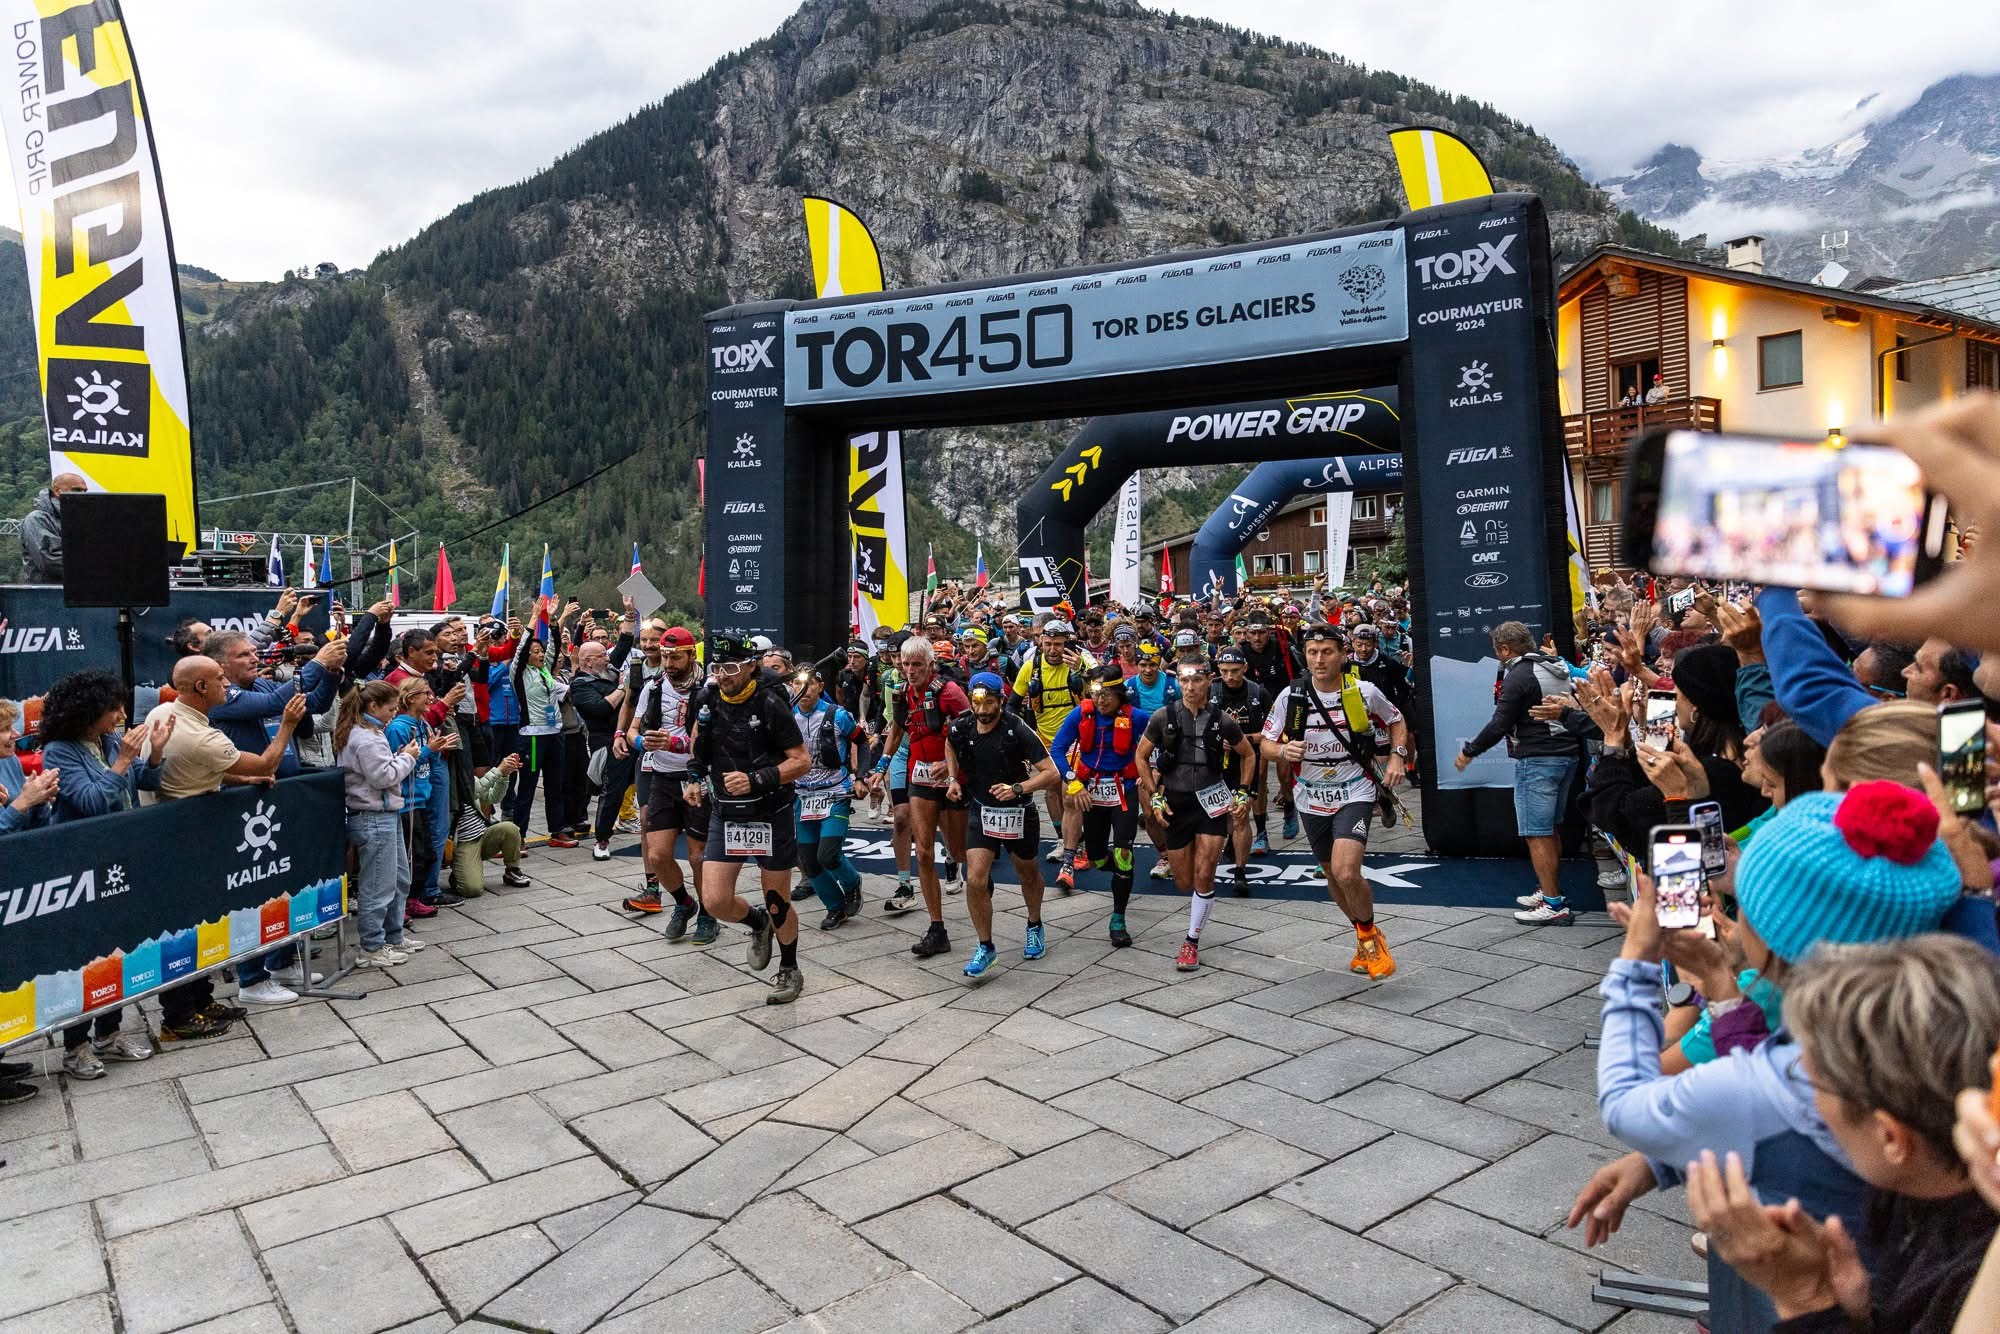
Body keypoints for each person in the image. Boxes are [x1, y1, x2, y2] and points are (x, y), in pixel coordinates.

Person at [1583, 781, 1964, 1332]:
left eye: (1749, 906)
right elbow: (1763, 1087)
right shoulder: (1936, 1036)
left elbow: (1626, 1104)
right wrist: (1721, 985)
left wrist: (1636, 962)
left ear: (1774, 934)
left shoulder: (1793, 1076)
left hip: (1801, 1304)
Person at [1684, 936, 2000, 1333]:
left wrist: (1807, 1300)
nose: (1809, 1100)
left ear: (1891, 1138)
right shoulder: (1924, 1193)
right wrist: (1861, 1312)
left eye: (1810, 1081)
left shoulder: (1975, 1285)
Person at [1261, 624, 1409, 979]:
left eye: (1327, 652)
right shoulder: (1291, 696)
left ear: (1343, 654)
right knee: (1331, 874)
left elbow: (1397, 720)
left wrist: (1397, 757)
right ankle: (1363, 935)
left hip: (1354, 789)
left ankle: (1371, 940)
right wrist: (1282, 751)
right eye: (1312, 653)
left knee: (1346, 871)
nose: (1319, 659)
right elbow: (1265, 744)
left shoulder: (1362, 691)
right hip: (1310, 793)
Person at [684, 635, 810, 1005]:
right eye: (717, 668)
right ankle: (758, 924)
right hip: (726, 812)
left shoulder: (770, 703)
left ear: (751, 666)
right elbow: (698, 742)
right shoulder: (707, 697)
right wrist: (693, 778)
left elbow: (801, 761)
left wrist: (757, 779)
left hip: (771, 811)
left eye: (731, 668)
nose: (723, 675)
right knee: (714, 900)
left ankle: (789, 967)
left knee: (777, 898)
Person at [1454, 621, 1587, 925]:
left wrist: (1469, 751)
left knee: (1536, 833)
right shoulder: (1554, 664)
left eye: (1497, 651)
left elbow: (1499, 723)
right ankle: (1549, 891)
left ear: (1505, 649)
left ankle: (1554, 904)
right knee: (1548, 829)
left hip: (1538, 759)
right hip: (1566, 754)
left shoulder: (1519, 675)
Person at [1136, 659, 1256, 972]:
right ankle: (1196, 906)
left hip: (1211, 801)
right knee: (1183, 880)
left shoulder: (1221, 719)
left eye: (1197, 680)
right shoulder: (1164, 716)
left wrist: (1243, 792)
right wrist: (1155, 796)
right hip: (1176, 803)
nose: (1190, 687)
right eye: (1185, 681)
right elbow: (1141, 756)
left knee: (1205, 874)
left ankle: (1191, 941)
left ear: (1208, 681)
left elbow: (1248, 754)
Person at [945, 670, 1058, 981]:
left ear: (1001, 701)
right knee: (975, 879)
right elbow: (950, 744)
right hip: (981, 810)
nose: (982, 710)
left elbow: (1051, 773)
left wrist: (1018, 788)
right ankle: (985, 947)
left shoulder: (1017, 729)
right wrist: (953, 778)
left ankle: (1034, 924)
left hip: (1018, 812)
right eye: (977, 702)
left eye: (989, 703)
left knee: (1028, 873)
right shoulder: (962, 725)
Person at [874, 636, 970, 956]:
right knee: (925, 852)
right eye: (906, 664)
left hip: (953, 781)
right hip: (920, 779)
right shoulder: (902, 693)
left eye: (917, 664)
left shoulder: (950, 692)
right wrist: (881, 766)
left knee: (958, 851)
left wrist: (950, 764)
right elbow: (896, 730)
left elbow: (974, 730)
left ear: (931, 665)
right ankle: (936, 928)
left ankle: (977, 883)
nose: (911, 670)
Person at [1049, 665, 1153, 946]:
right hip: (1090, 793)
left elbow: (1162, 739)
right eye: (1095, 693)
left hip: (1123, 792)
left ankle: (1118, 918)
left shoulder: (1137, 717)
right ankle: (1122, 873)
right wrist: (1071, 779)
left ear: (1119, 693)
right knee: (1096, 857)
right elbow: (1057, 748)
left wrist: (1152, 771)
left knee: (1123, 854)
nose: (1100, 699)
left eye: (1106, 694)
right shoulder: (1081, 714)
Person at [336, 681, 425, 969]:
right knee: (378, 884)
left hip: (383, 814)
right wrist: (408, 758)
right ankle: (371, 947)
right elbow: (382, 777)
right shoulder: (366, 738)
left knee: (398, 879)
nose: (393, 713)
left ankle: (393, 936)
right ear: (373, 706)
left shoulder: (367, 733)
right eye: (390, 708)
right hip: (373, 817)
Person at [1012, 619, 1094, 864]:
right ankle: (1062, 839)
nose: (1053, 649)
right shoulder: (1031, 667)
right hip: (1045, 738)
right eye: (1048, 644)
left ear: (1066, 643)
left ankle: (1077, 842)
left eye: (1058, 644)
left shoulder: (1080, 660)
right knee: (1051, 789)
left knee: (1068, 791)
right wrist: (1020, 738)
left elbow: (1104, 684)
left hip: (1075, 739)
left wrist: (1083, 669)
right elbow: (1012, 704)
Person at [791, 665, 864, 930]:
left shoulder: (838, 715)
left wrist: (861, 776)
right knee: (808, 861)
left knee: (828, 855)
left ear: (820, 687)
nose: (803, 690)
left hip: (835, 792)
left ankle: (852, 882)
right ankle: (835, 907)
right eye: (797, 684)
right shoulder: (787, 716)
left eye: (810, 684)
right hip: (802, 796)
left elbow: (862, 741)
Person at [1213, 646, 1272, 892]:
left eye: (1235, 671)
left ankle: (1240, 871)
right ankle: (1229, 842)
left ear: (1245, 668)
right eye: (1225, 671)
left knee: (1241, 813)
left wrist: (1242, 739)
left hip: (1248, 761)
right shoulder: (1210, 691)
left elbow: (1272, 732)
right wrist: (1218, 740)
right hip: (1217, 763)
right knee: (1222, 814)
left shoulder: (1258, 692)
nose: (1230, 676)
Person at [509, 630, 572, 843]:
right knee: (527, 787)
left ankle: (557, 830)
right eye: (535, 652)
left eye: (541, 651)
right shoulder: (519, 673)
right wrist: (533, 621)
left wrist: (554, 623)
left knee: (555, 785)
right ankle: (518, 836)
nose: (541, 655)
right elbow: (520, 651)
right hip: (533, 737)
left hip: (555, 734)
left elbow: (554, 648)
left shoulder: (545, 672)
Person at [567, 638, 626, 860]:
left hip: (629, 735)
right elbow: (600, 708)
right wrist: (623, 687)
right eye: (603, 655)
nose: (608, 659)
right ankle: (602, 839)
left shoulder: (609, 673)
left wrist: (630, 619)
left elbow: (623, 646)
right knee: (612, 791)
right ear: (589, 661)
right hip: (606, 742)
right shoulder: (580, 685)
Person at [448, 751, 532, 895]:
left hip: (482, 835)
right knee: (472, 890)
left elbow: (494, 797)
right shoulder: (447, 781)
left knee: (510, 828)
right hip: (463, 843)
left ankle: (512, 870)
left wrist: (504, 775)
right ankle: (460, 872)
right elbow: (474, 792)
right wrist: (499, 770)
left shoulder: (467, 776)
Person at [18, 471, 85, 582]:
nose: (82, 494)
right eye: (77, 490)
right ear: (57, 491)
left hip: (79, 588)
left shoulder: (80, 519)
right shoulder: (37, 519)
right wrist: (96, 564)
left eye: (85, 491)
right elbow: (50, 560)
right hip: (48, 590)